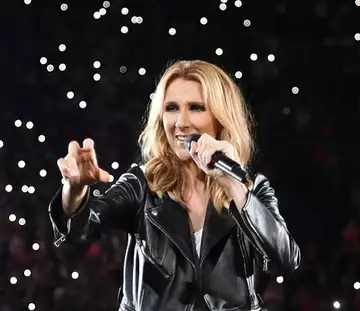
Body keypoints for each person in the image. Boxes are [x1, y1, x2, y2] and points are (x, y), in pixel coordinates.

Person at [49, 60, 301, 311]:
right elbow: (79, 229)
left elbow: (284, 261)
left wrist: (232, 184)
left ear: (221, 116)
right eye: (171, 108)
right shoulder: (142, 185)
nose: (181, 122)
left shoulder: (251, 190)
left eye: (195, 108)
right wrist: (75, 189)